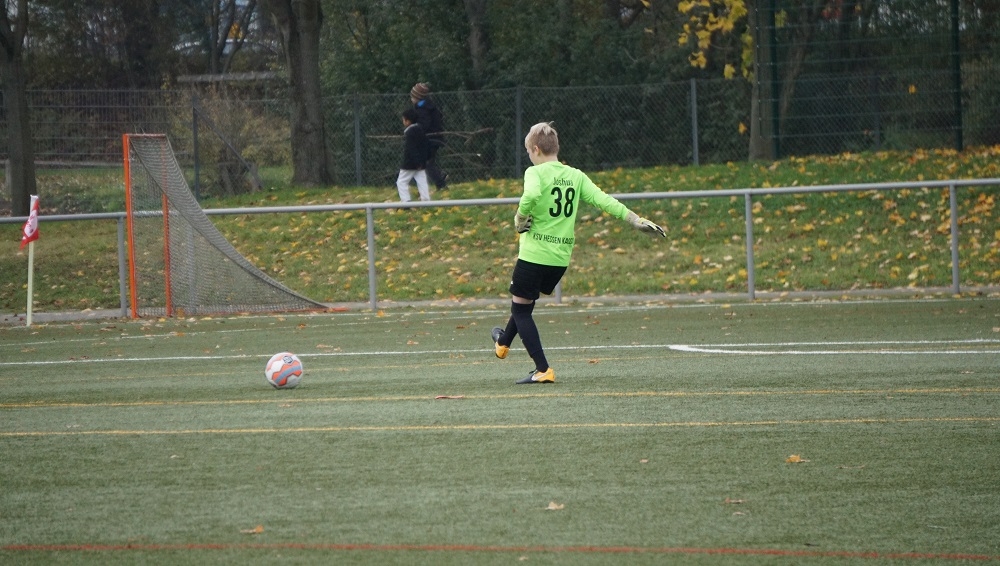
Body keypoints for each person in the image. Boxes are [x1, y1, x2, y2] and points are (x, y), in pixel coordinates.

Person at [491, 122, 666, 384]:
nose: (529, 156)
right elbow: (604, 200)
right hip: (559, 259)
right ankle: (503, 343)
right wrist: (634, 219)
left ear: (536, 149)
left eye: (528, 151)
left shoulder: (534, 172)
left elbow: (531, 195)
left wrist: (520, 218)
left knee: (521, 310)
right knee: (524, 303)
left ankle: (542, 369)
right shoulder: (575, 175)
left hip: (535, 254)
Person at [409, 82, 447, 190]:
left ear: (417, 97)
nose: (411, 99)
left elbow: (424, 124)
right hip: (434, 138)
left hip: (430, 139)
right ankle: (440, 176)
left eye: (412, 96)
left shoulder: (423, 109)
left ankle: (441, 184)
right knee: (428, 162)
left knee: (427, 163)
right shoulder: (429, 106)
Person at [396, 108, 431, 202]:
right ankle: (425, 200)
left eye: (403, 119)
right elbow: (426, 145)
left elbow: (411, 149)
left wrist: (416, 162)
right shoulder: (421, 130)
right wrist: (423, 161)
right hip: (421, 162)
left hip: (410, 163)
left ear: (407, 121)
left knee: (401, 182)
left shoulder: (409, 133)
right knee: (422, 181)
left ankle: (406, 201)